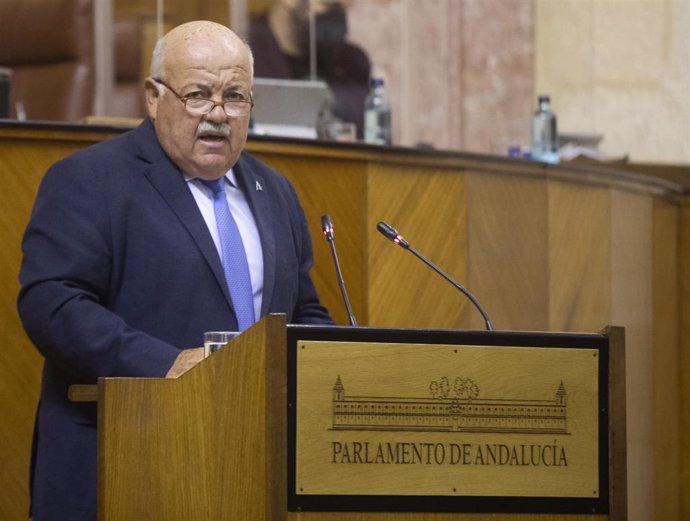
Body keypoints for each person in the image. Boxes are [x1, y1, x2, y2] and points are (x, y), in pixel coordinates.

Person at [17, 20, 333, 521]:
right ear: (152, 97)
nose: (217, 115)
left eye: (235, 97)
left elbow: (304, 310)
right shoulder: (89, 180)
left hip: (248, 467)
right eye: (197, 95)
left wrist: (330, 365)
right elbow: (53, 304)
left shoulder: (275, 193)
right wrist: (168, 366)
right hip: (124, 458)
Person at [249, 0, 370, 138]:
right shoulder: (245, 53)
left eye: (342, 10)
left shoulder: (351, 62)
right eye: (329, 6)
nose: (336, 21)